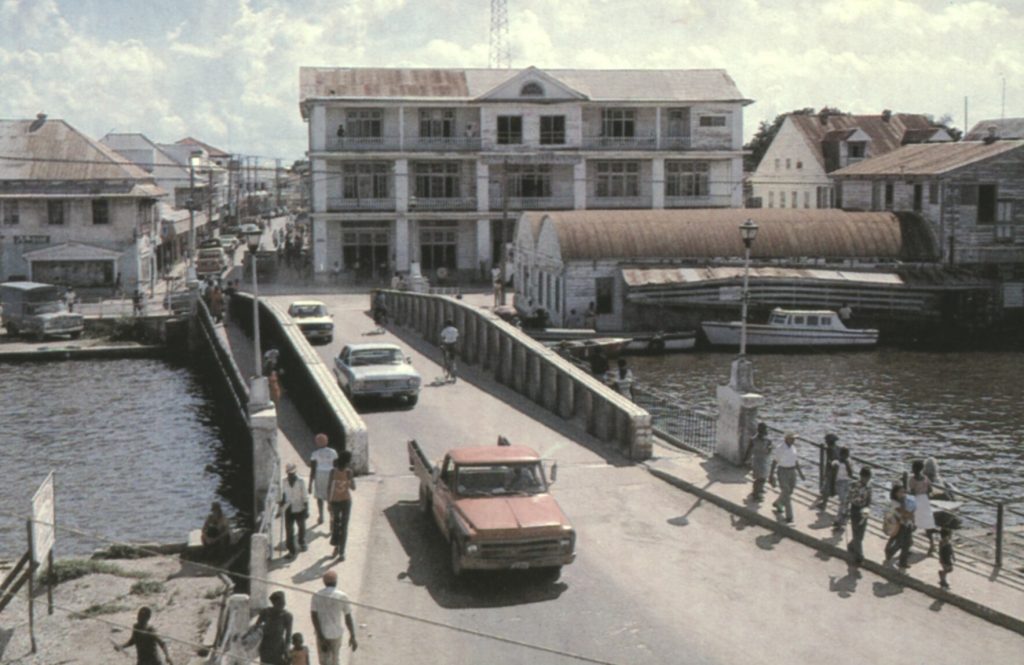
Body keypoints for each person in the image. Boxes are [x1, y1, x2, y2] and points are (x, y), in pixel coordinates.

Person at [311, 570, 358, 665]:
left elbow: (314, 616)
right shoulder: (342, 596)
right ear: (336, 582)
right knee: (335, 660)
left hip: (322, 633)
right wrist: (352, 636)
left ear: (324, 582)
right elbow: (348, 617)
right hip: (336, 634)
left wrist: (320, 637)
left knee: (324, 661)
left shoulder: (317, 595)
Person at [769, 433, 806, 523]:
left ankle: (778, 502)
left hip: (792, 471)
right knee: (786, 491)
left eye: (794, 439)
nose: (794, 440)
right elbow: (775, 461)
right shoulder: (780, 448)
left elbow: (795, 461)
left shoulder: (793, 448)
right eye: (792, 439)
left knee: (790, 491)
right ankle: (789, 516)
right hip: (783, 471)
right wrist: (771, 475)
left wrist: (800, 473)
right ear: (787, 439)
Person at [327, 451, 356, 559]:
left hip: (345, 502)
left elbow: (353, 487)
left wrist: (350, 480)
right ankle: (337, 547)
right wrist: (329, 503)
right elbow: (329, 487)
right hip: (336, 502)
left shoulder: (349, 472)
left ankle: (341, 551)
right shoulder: (333, 472)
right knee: (336, 526)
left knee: (343, 527)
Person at [883, 483, 916, 571]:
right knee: (897, 542)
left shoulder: (904, 501)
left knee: (907, 544)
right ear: (895, 493)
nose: (903, 494)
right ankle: (889, 554)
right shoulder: (895, 503)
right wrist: (912, 514)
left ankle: (903, 562)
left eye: (904, 492)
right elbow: (904, 513)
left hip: (907, 524)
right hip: (899, 525)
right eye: (901, 492)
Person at [255, 590, 292, 665]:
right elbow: (256, 627)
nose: (282, 606)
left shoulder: (287, 616)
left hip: (279, 649)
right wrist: (261, 629)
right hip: (265, 648)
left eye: (283, 603)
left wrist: (287, 650)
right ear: (273, 603)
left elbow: (288, 636)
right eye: (279, 604)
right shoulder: (265, 612)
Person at [308, 433, 338, 526]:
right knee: (330, 496)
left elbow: (313, 469)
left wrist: (310, 484)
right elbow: (336, 466)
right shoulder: (333, 452)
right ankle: (332, 516)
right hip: (330, 474)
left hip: (320, 475)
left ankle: (321, 516)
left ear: (317, 443)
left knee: (319, 497)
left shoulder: (315, 454)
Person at [279, 463, 308, 559]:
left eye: (292, 473)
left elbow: (305, 496)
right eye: (289, 474)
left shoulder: (301, 481)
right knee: (289, 530)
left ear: (295, 472)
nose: (291, 475)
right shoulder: (284, 481)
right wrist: (281, 503)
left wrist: (306, 509)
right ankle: (292, 550)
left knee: (301, 527)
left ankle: (302, 542)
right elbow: (283, 494)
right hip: (288, 508)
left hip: (300, 507)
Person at [909, 459, 938, 554]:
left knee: (913, 523)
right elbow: (930, 490)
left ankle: (908, 542)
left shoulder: (912, 480)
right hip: (924, 501)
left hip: (916, 501)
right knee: (927, 524)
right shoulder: (925, 478)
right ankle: (932, 544)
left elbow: (912, 492)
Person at [846, 467, 873, 566]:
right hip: (855, 510)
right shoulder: (854, 485)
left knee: (861, 533)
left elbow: (869, 499)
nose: (867, 480)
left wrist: (868, 510)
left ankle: (852, 545)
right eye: (865, 478)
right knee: (857, 532)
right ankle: (859, 556)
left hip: (864, 510)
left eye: (868, 478)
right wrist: (846, 510)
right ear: (861, 476)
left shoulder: (869, 487)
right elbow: (848, 497)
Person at [742, 422, 773, 502]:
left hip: (762, 460)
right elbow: (749, 450)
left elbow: (749, 450)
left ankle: (759, 490)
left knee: (762, 477)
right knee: (760, 478)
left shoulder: (757, 440)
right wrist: (746, 459)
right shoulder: (761, 440)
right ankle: (756, 493)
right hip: (759, 460)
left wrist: (745, 459)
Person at [814, 433, 839, 510]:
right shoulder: (838, 448)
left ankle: (824, 504)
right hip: (836, 469)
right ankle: (823, 502)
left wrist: (826, 472)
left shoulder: (829, 449)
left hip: (831, 470)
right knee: (829, 487)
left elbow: (829, 461)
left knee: (827, 488)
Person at [831, 446, 855, 528]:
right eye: (844, 455)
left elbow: (851, 474)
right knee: (843, 501)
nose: (846, 457)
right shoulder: (836, 462)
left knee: (846, 502)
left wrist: (847, 465)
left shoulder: (849, 462)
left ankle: (841, 519)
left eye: (847, 455)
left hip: (848, 482)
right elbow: (833, 474)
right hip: (839, 483)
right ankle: (839, 519)